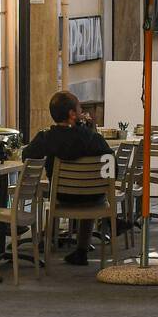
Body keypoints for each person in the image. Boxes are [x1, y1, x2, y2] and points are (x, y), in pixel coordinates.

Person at [22, 90, 114, 266]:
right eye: (80, 108)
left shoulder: (46, 138)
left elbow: (27, 156)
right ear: (72, 114)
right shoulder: (91, 138)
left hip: (61, 197)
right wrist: (90, 129)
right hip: (92, 197)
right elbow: (110, 162)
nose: (81, 111)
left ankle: (47, 240)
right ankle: (82, 250)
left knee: (56, 191)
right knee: (90, 194)